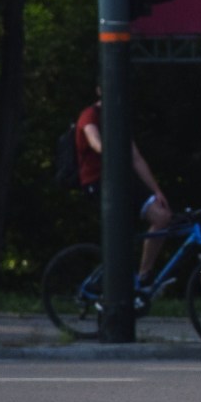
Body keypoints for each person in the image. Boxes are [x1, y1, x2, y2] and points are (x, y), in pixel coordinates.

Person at [75, 88, 172, 291]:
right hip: (98, 182)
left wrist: (156, 191)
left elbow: (135, 158)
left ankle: (143, 278)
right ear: (100, 91)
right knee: (120, 232)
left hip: (123, 181)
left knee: (162, 217)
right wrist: (111, 148)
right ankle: (111, 287)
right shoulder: (90, 115)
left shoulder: (119, 118)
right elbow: (95, 143)